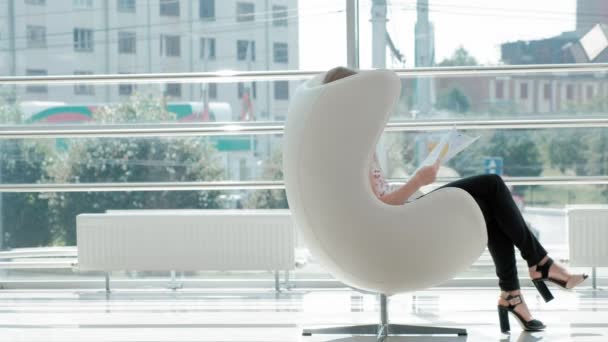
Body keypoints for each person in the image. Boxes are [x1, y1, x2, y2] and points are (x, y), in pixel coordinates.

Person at [323, 66, 588, 333]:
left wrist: (416, 183)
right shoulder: (349, 146)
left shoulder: (352, 138)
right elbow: (379, 206)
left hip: (400, 211)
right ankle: (540, 265)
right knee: (492, 185)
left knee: (488, 206)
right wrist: (417, 181)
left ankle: (512, 294)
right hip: (395, 220)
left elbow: (375, 197)